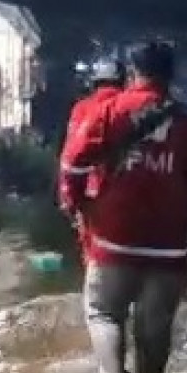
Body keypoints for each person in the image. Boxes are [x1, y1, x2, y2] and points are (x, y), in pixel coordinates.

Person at [60, 41, 187, 373]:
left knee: (104, 312)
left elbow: (72, 163)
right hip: (170, 246)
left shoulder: (108, 112)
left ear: (133, 73)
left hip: (113, 239)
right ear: (172, 76)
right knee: (155, 325)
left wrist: (78, 206)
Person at [59, 57, 126, 256]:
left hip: (88, 195)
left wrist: (68, 199)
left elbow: (70, 156)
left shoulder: (82, 109)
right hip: (124, 194)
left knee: (93, 254)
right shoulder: (130, 107)